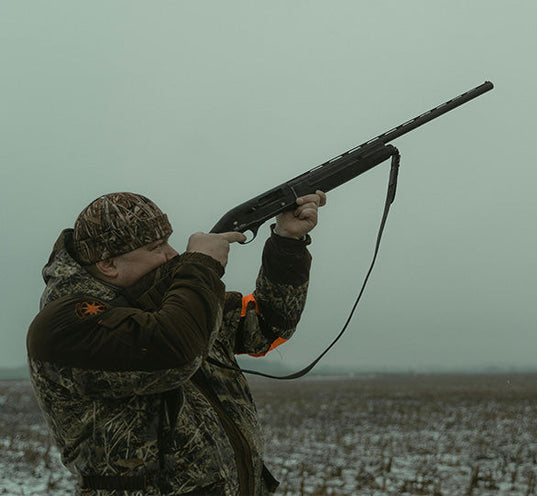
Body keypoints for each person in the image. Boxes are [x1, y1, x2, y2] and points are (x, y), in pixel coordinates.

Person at [27, 190, 326, 495]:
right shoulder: (65, 326)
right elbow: (175, 352)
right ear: (108, 265)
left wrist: (287, 242)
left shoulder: (166, 302)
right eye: (157, 247)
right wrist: (201, 267)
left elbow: (267, 326)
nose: (173, 254)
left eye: (168, 242)